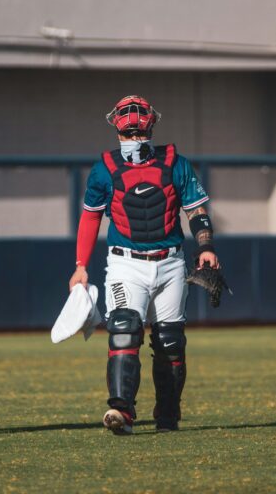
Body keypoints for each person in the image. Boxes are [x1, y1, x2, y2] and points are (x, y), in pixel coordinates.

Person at [69, 95, 220, 434]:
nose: (134, 141)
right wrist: (81, 264)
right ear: (117, 132)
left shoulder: (175, 163)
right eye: (128, 135)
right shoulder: (103, 169)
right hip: (126, 264)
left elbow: (195, 210)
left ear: (150, 128)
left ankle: (167, 415)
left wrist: (206, 246)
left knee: (170, 342)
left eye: (139, 134)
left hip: (170, 263)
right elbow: (90, 219)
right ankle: (121, 411)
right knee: (124, 330)